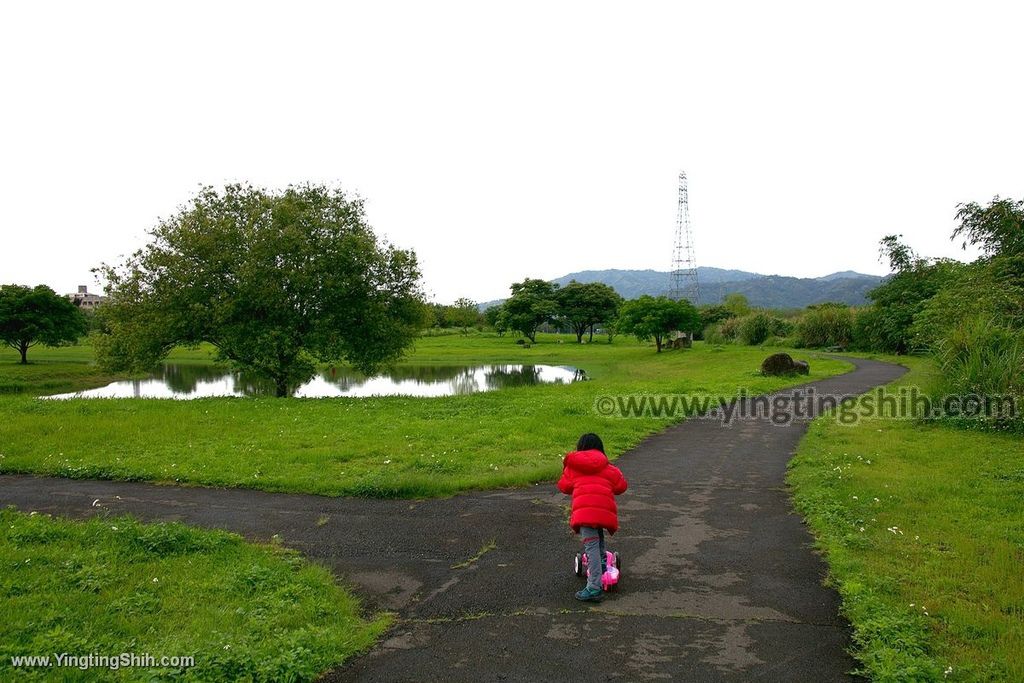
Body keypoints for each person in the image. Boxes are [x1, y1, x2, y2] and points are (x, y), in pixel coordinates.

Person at [557, 432, 628, 602]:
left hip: (584, 512)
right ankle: (603, 564)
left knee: (591, 546)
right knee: (599, 536)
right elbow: (621, 486)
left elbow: (564, 487)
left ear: (580, 447)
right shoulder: (607, 467)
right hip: (604, 511)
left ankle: (594, 587)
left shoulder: (573, 467)